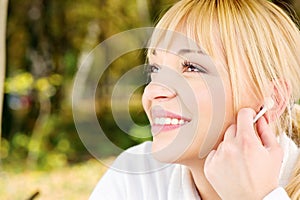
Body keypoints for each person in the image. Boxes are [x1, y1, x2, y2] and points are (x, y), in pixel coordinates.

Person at [90, 0, 300, 199]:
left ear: (273, 100)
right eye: (155, 69)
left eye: (192, 67)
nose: (153, 91)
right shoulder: (135, 178)